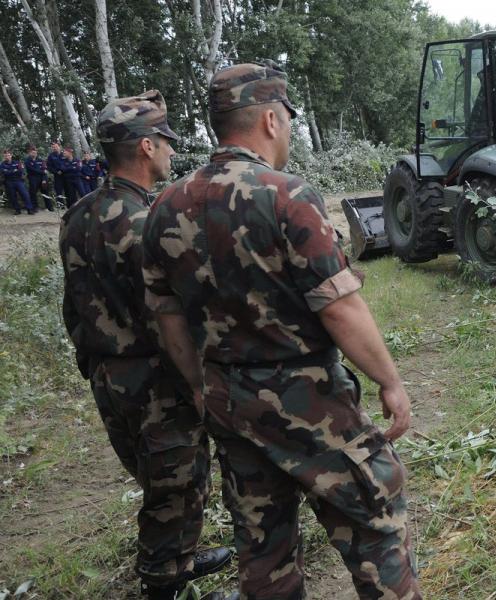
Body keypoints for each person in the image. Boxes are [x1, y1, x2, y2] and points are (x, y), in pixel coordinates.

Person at [142, 62, 421, 600]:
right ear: (271, 120)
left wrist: (200, 386)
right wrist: (389, 380)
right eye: (288, 121)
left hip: (229, 400)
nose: (289, 130)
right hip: (308, 400)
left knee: (262, 549)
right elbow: (339, 308)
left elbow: (167, 317)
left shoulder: (163, 207)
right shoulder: (286, 195)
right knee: (374, 523)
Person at [59, 91, 236, 600]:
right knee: (174, 486)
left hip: (107, 374)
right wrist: (202, 378)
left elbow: (74, 303)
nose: (171, 153)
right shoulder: (149, 221)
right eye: (164, 142)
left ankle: (179, 559)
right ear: (143, 147)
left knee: (158, 476)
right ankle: (164, 584)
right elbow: (172, 313)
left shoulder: (78, 215)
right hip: (154, 377)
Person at [1, 149, 34, 215]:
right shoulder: (2, 164)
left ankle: (29, 209)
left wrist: (9, 171)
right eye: (5, 155)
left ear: (11, 155)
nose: (7, 157)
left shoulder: (17, 162)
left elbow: (20, 171)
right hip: (9, 182)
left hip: (19, 181)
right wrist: (14, 170)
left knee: (25, 195)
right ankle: (17, 210)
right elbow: (4, 173)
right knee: (12, 197)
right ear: (4, 156)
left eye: (8, 155)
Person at [24, 146, 51, 211]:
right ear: (30, 153)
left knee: (45, 192)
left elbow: (45, 170)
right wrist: (42, 171)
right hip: (32, 178)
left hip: (42, 178)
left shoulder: (41, 160)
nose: (34, 154)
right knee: (33, 193)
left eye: (35, 152)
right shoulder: (27, 161)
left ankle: (49, 207)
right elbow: (32, 170)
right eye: (32, 152)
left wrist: (44, 179)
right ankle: (35, 207)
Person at [47, 141, 65, 207]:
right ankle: (60, 205)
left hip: (66, 174)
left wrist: (63, 170)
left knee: (68, 189)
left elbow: (67, 163)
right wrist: (56, 172)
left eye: (56, 147)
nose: (55, 148)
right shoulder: (51, 156)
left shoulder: (64, 154)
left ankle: (70, 204)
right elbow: (49, 167)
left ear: (59, 146)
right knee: (58, 190)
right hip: (57, 175)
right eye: (53, 147)